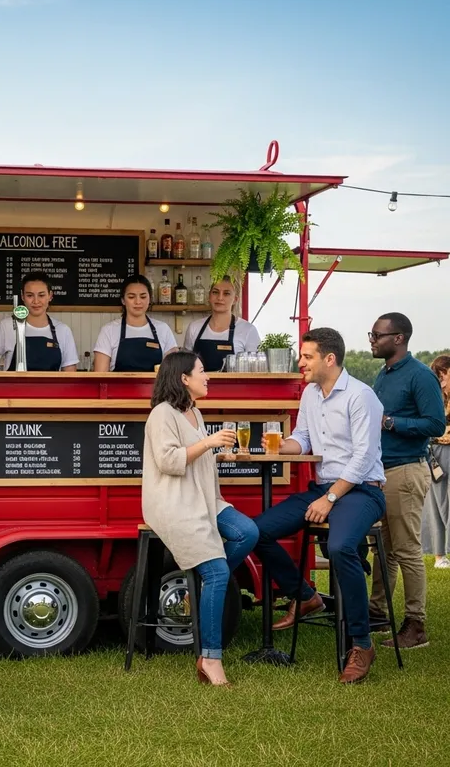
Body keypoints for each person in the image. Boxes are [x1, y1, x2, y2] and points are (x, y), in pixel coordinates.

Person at [253, 327, 386, 684]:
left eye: (307, 356)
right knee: (256, 531)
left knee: (341, 547)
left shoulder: (362, 396)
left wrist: (329, 499)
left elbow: (362, 459)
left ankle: (361, 643)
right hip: (323, 488)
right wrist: (281, 447)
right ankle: (306, 596)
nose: (300, 362)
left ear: (330, 359)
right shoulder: (310, 394)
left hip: (361, 491)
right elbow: (304, 438)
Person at [142, 350, 259, 686]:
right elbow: (168, 461)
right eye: (202, 370)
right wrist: (209, 443)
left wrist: (214, 448)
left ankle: (204, 586)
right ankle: (210, 658)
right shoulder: (161, 415)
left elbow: (199, 457)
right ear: (184, 378)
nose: (207, 376)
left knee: (247, 532)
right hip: (175, 505)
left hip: (206, 501)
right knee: (219, 572)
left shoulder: (195, 411)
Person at [367, 313, 446, 648]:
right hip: (382, 472)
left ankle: (416, 625)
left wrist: (389, 423)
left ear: (398, 338)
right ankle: (377, 613)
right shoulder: (383, 374)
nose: (371, 339)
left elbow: (435, 425)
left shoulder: (419, 376)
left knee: (407, 549)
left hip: (405, 470)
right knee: (384, 550)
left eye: (377, 334)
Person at [0, 272, 78, 372]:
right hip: (14, 392)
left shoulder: (63, 330)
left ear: (50, 296)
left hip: (52, 393)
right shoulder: (7, 326)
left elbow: (70, 372)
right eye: (30, 295)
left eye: (41, 295)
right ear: (22, 296)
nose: (36, 301)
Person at [92, 275, 178, 372]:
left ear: (150, 299)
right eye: (131, 297)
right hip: (118, 387)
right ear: (123, 300)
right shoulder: (109, 331)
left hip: (156, 387)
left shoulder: (163, 329)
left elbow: (173, 373)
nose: (138, 301)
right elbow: (100, 376)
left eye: (143, 297)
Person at [183, 277, 261, 372]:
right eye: (215, 292)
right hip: (199, 386)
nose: (220, 298)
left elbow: (255, 371)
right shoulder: (194, 327)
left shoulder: (248, 330)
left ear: (235, 299)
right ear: (209, 296)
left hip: (236, 387)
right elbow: (185, 366)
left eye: (226, 293)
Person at [423, 355, 450, 568]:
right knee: (436, 504)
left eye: (444, 374)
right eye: (440, 375)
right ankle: (439, 555)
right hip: (435, 454)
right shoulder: (436, 397)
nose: (443, 379)